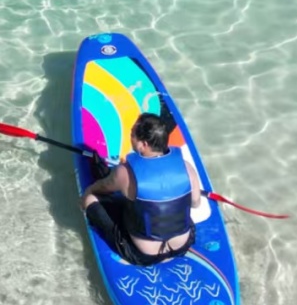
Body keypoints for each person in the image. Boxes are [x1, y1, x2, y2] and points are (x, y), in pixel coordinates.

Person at [79, 113, 206, 266]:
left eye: (132, 134)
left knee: (90, 198)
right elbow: (195, 203)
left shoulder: (125, 172)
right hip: (183, 245)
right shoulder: (186, 167)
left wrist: (86, 194)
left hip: (143, 255)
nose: (130, 136)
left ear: (143, 144)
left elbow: (102, 188)